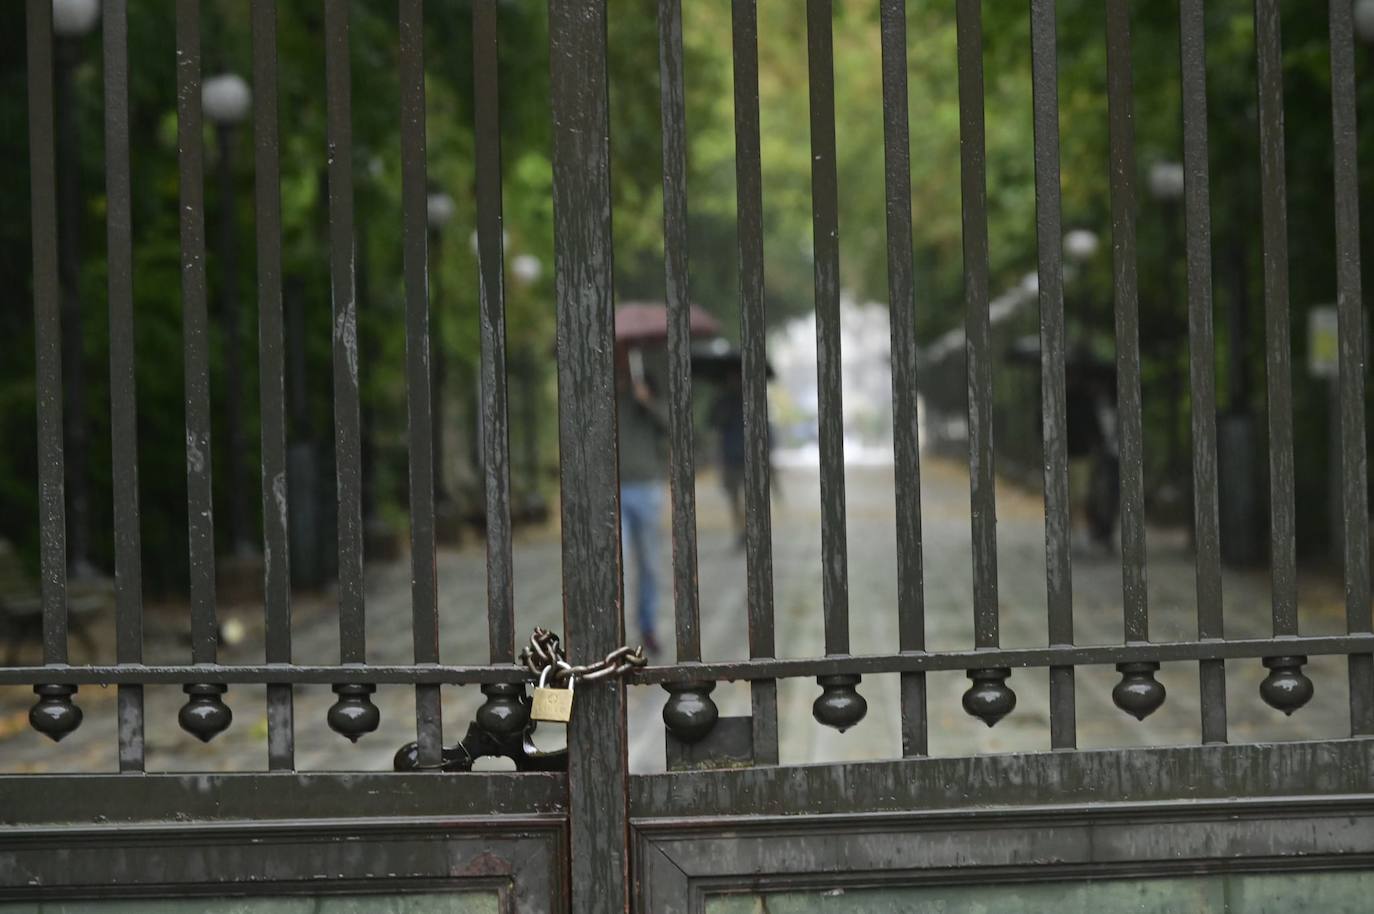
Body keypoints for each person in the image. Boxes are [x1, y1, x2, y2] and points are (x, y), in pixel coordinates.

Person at [617, 347, 668, 656]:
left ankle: (647, 627)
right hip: (614, 489)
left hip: (647, 488)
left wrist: (646, 401)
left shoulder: (648, 391)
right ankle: (613, 630)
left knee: (649, 563)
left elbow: (670, 426)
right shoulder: (605, 396)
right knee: (616, 563)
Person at [708, 367, 747, 546]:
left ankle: (748, 529)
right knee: (733, 497)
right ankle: (740, 531)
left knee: (749, 497)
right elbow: (712, 421)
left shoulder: (750, 397)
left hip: (748, 456)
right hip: (730, 456)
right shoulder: (722, 400)